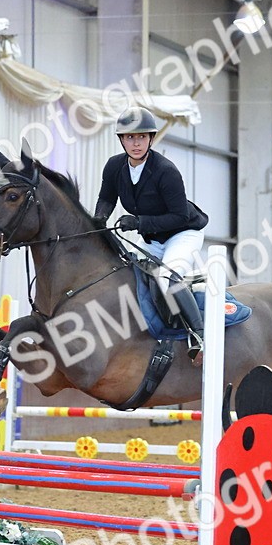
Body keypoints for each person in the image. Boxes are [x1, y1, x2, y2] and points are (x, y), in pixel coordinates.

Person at [93, 105, 209, 359]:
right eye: (130, 137)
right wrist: (98, 222)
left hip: (183, 233)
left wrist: (138, 223)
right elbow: (106, 199)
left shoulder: (166, 171)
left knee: (167, 275)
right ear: (122, 140)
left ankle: (199, 335)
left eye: (142, 137)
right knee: (129, 275)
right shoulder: (114, 167)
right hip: (153, 239)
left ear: (151, 139)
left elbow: (179, 216)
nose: (136, 143)